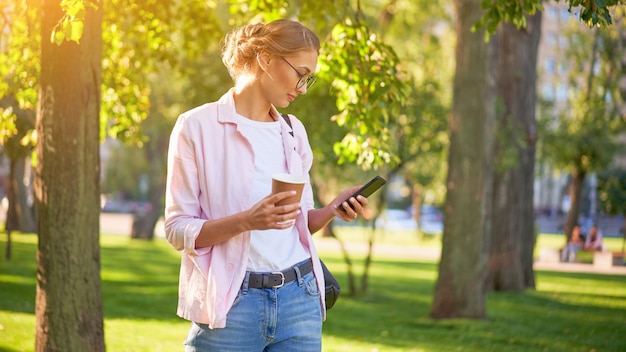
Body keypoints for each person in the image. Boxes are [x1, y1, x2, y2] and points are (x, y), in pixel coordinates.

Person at [164, 19, 368, 351]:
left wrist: (331, 210)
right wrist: (247, 221)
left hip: (299, 300)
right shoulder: (196, 127)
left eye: (309, 78)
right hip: (231, 306)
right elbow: (177, 229)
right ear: (266, 58)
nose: (303, 87)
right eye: (300, 73)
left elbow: (297, 222)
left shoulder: (292, 131)